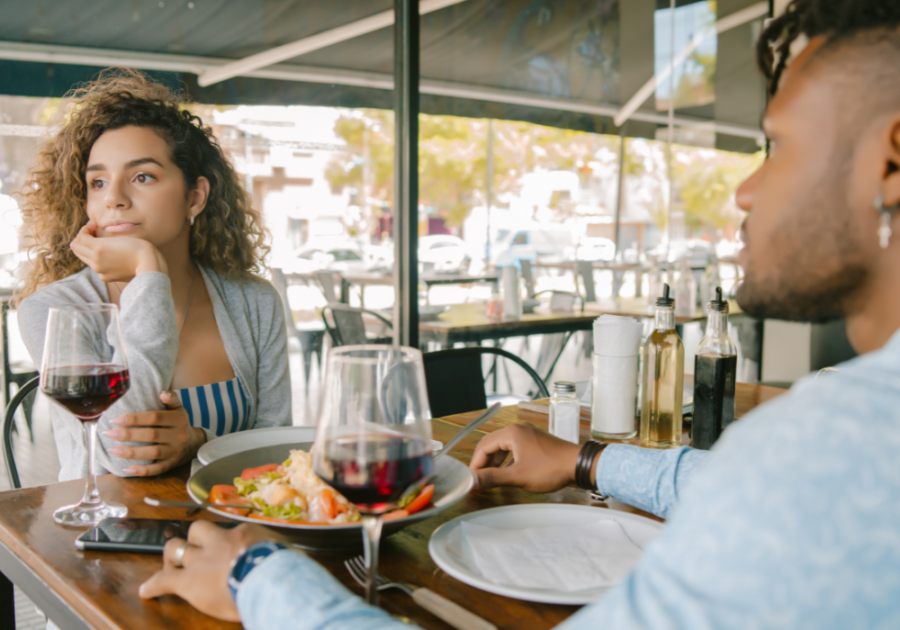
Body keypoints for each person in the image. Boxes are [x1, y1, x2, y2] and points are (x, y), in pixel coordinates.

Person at [139, 0, 900, 627]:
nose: (743, 192)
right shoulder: (840, 430)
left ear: (892, 160)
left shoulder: (829, 443)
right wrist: (585, 460)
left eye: (779, 145)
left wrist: (258, 580)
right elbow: (731, 484)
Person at [15, 69, 292, 481]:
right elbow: (126, 457)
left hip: (234, 530)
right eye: (98, 182)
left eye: (142, 176)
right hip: (106, 535)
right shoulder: (54, 310)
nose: (114, 199)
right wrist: (147, 271)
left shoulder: (254, 302)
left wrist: (199, 441)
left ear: (194, 197)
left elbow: (277, 449)